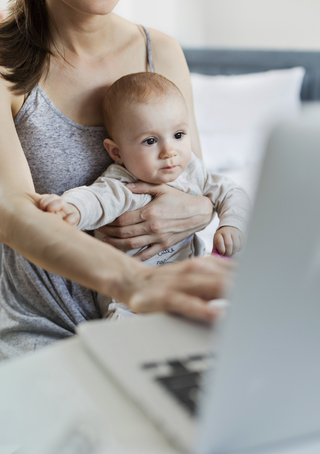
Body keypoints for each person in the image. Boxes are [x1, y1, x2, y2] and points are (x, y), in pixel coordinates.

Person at [0, 0, 233, 359]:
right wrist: (135, 281)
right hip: (45, 330)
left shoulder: (161, 52)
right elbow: (11, 212)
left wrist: (206, 209)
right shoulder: (4, 56)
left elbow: (192, 178)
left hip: (157, 322)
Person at [39, 72, 250, 319]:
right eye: (150, 141)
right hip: (131, 302)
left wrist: (231, 224)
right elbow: (96, 199)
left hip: (188, 288)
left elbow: (232, 191)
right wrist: (70, 208)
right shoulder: (123, 183)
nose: (169, 151)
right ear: (117, 152)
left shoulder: (193, 170)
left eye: (179, 135)